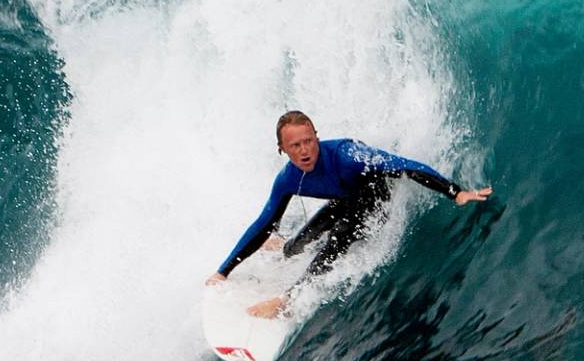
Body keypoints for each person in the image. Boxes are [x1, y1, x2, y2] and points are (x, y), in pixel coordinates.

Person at [207, 110, 493, 317]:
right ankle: (284, 246)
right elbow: (265, 222)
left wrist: (455, 192)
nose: (305, 150)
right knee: (296, 246)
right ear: (282, 149)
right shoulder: (288, 179)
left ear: (317, 137)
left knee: (340, 236)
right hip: (343, 201)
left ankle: (289, 299)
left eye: (309, 141)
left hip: (374, 202)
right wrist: (223, 271)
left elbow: (405, 165)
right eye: (295, 145)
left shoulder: (347, 156)